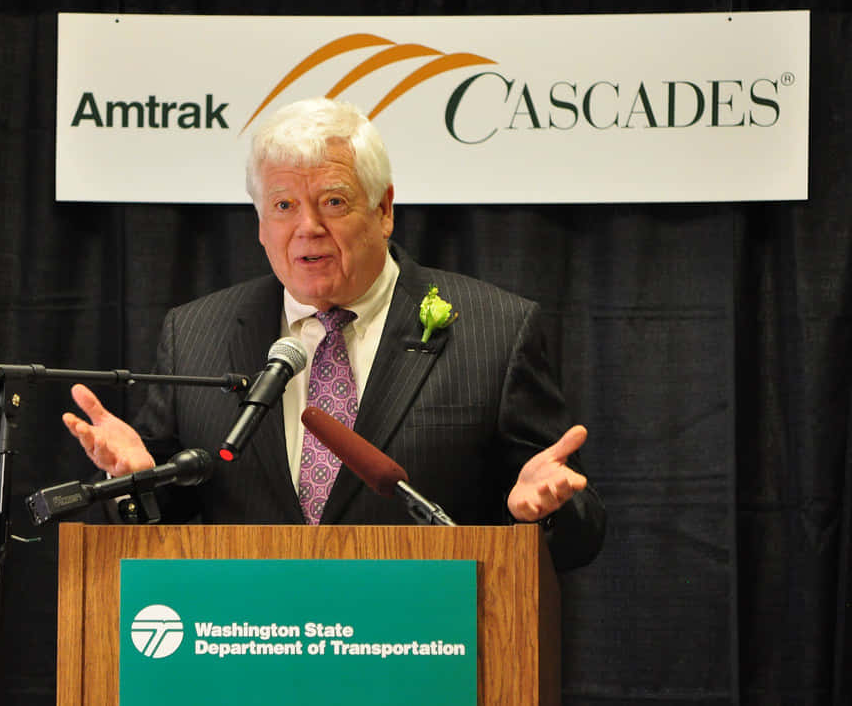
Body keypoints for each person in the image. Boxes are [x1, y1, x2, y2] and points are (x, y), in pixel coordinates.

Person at [63, 97, 605, 571]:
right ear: (260, 223)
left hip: (425, 637)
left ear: (384, 209)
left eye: (333, 202)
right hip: (247, 636)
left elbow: (579, 534)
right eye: (283, 206)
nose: (308, 227)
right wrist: (136, 483)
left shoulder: (495, 331)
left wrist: (546, 513)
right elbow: (162, 517)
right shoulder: (195, 333)